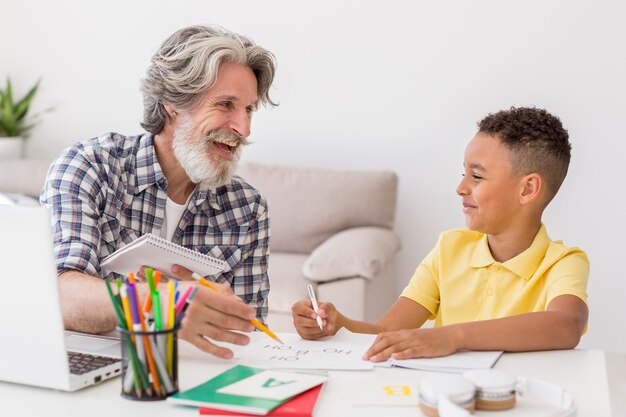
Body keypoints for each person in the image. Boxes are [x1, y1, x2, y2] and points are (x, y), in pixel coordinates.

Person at [40, 24, 277, 359]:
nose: (244, 128)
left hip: (198, 377)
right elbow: (58, 295)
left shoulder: (248, 208)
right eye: (226, 104)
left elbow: (249, 334)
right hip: (100, 370)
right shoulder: (90, 167)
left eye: (249, 109)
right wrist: (160, 304)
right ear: (172, 104)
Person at [292, 107, 589, 362]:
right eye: (464, 174)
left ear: (527, 189)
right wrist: (338, 325)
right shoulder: (450, 248)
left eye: (477, 176)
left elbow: (566, 325)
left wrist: (454, 336)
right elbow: (388, 332)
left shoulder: (562, 262)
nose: (461, 188)